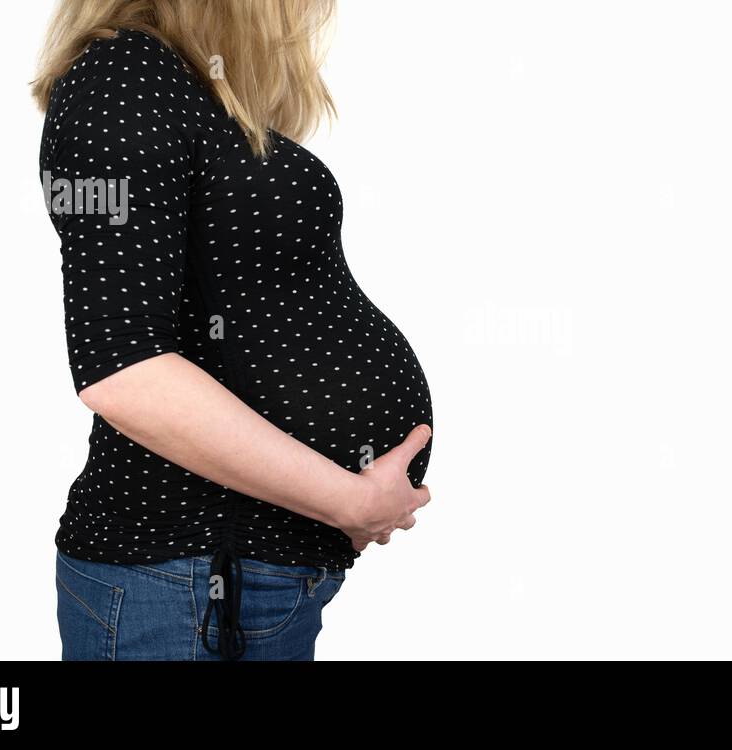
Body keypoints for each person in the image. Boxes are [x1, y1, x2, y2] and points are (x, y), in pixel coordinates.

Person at [32, 0, 433, 661]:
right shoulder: (122, 76)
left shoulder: (181, 88)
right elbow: (122, 371)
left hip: (231, 578)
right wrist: (349, 500)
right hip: (184, 579)